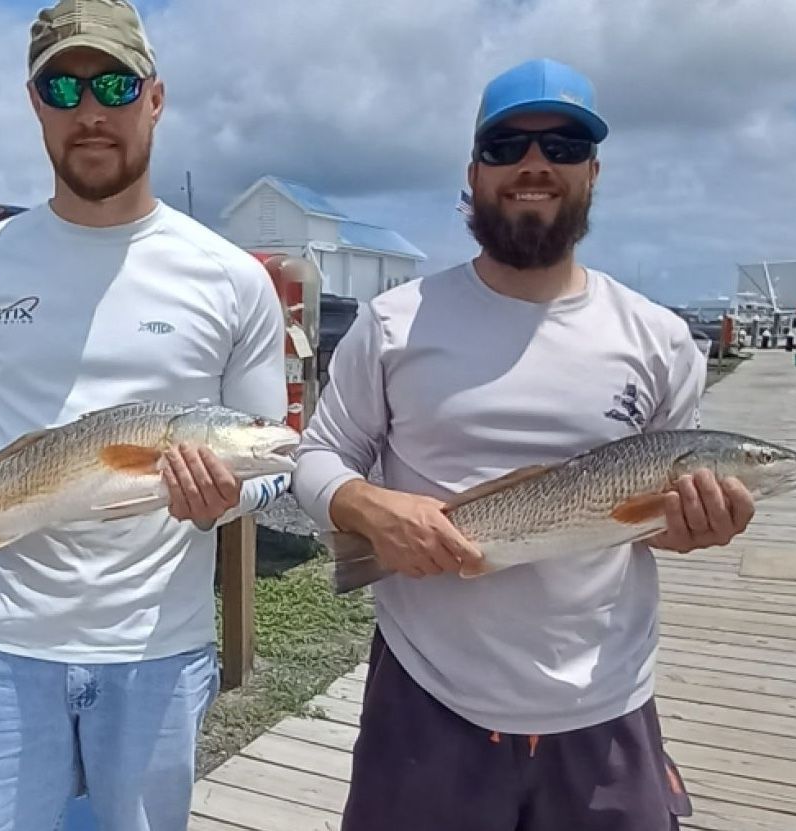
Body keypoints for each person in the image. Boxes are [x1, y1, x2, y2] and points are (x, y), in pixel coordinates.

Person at [291, 58, 756, 830]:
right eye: (507, 146)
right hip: (426, 699)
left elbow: (655, 521)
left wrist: (696, 528)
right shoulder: (395, 321)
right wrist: (370, 508)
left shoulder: (660, 338)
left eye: (563, 145)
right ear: (474, 172)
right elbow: (316, 456)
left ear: (594, 171)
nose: (534, 164)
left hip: (606, 704)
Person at [0, 1, 289, 828]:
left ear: (156, 96)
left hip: (159, 655)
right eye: (61, 88)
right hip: (2, 645)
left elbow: (270, 452)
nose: (90, 110)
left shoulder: (230, 278)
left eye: (113, 82)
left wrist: (227, 496)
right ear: (34, 103)